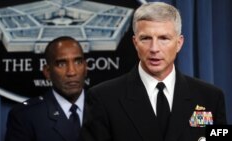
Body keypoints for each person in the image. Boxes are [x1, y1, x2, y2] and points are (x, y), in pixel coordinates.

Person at [81, 2, 227, 141]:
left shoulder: (211, 97)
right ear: (135, 43)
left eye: (164, 38)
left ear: (179, 43)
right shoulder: (103, 98)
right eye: (145, 38)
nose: (154, 48)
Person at [5, 36, 88, 141]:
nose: (72, 72)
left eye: (78, 62)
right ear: (47, 72)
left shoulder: (105, 108)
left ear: (86, 68)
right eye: (61, 64)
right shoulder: (25, 117)